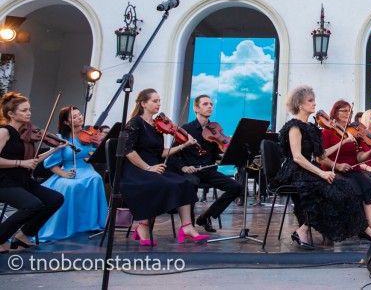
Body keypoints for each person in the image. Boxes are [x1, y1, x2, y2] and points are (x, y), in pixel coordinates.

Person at [274, 86, 371, 249]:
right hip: (295, 172)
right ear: (300, 104)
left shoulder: (312, 128)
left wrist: (342, 142)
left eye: (314, 100)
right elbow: (298, 157)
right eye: (310, 101)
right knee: (327, 191)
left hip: (308, 170)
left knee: (344, 188)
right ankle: (304, 230)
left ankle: (363, 229)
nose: (315, 104)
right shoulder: (294, 127)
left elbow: (321, 155)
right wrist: (321, 172)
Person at [120, 88, 208, 245]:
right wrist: (148, 168)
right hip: (137, 169)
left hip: (155, 166)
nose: (159, 104)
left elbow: (161, 152)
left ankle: (187, 227)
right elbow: (128, 151)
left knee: (185, 182)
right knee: (163, 184)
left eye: (159, 101)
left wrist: (185, 145)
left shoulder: (156, 126)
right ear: (143, 104)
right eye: (155, 101)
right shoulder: (135, 123)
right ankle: (143, 226)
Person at [0, 92, 65, 252]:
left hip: (23, 181)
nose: (28, 113)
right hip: (4, 182)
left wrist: (55, 149)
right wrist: (21, 163)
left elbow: (33, 160)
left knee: (56, 199)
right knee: (32, 205)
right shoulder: (4, 131)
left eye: (29, 109)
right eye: (24, 110)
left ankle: (23, 235)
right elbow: (22, 162)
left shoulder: (23, 136)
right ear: (11, 114)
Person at [168, 95, 243, 233]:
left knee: (236, 187)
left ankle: (206, 216)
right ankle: (188, 225)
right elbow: (171, 155)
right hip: (191, 171)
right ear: (196, 108)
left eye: (211, 104)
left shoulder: (215, 128)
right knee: (190, 185)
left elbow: (215, 155)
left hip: (208, 171)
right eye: (205, 104)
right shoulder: (186, 129)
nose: (210, 106)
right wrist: (183, 167)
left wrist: (226, 153)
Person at [38, 105, 108, 241]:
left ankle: (90, 224)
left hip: (87, 169)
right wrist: (63, 174)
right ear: (66, 122)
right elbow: (51, 164)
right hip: (68, 170)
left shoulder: (89, 136)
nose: (79, 118)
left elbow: (99, 154)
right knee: (70, 186)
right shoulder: (61, 138)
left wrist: (99, 143)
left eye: (80, 114)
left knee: (95, 178)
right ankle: (70, 226)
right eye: (74, 117)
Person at [320, 99, 371, 237]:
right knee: (352, 186)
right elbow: (322, 157)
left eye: (350, 111)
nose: (348, 113)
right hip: (334, 170)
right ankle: (357, 226)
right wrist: (337, 165)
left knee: (369, 185)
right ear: (335, 112)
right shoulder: (327, 132)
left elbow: (359, 157)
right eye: (344, 111)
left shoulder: (352, 132)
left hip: (353, 169)